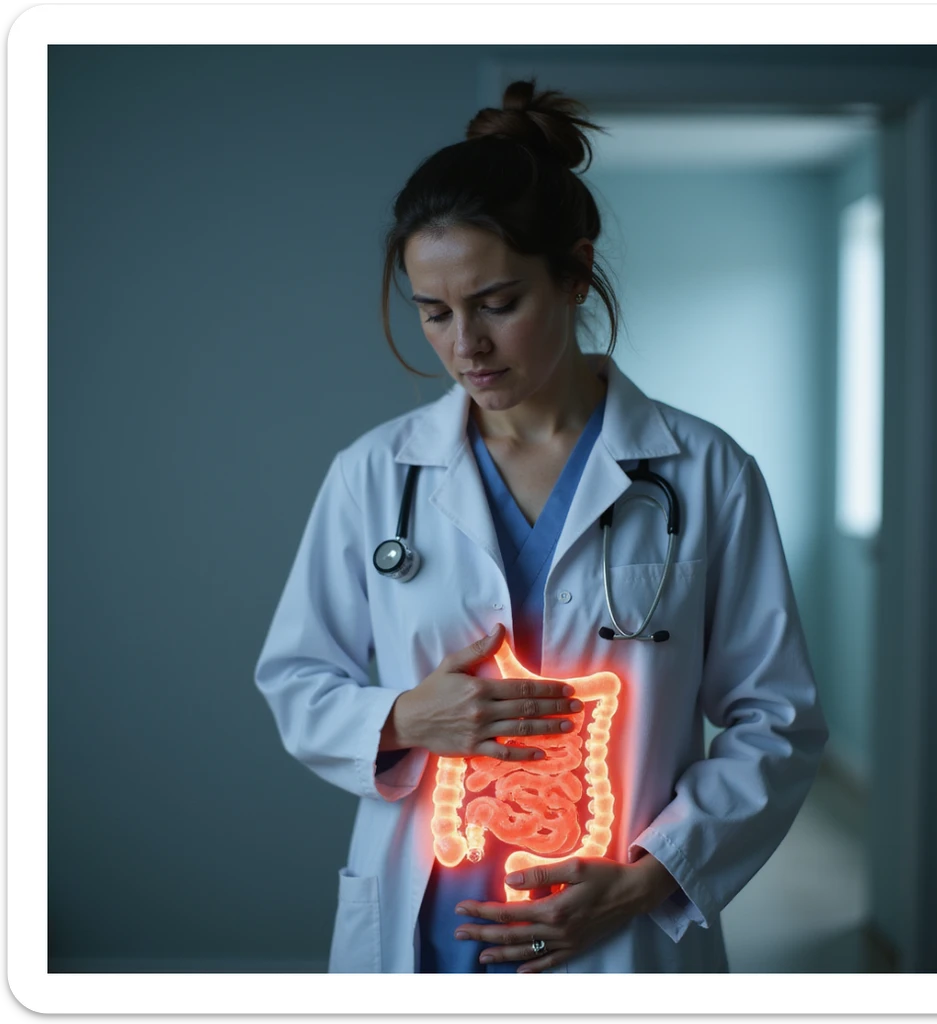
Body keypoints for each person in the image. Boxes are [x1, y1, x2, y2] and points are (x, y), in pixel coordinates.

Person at [254, 79, 829, 974]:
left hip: (614, 920)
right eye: (434, 313)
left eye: (496, 303)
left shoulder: (704, 471)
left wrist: (647, 880)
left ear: (574, 273)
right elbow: (297, 679)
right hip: (423, 917)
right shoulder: (376, 474)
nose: (464, 347)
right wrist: (407, 715)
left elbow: (775, 720)